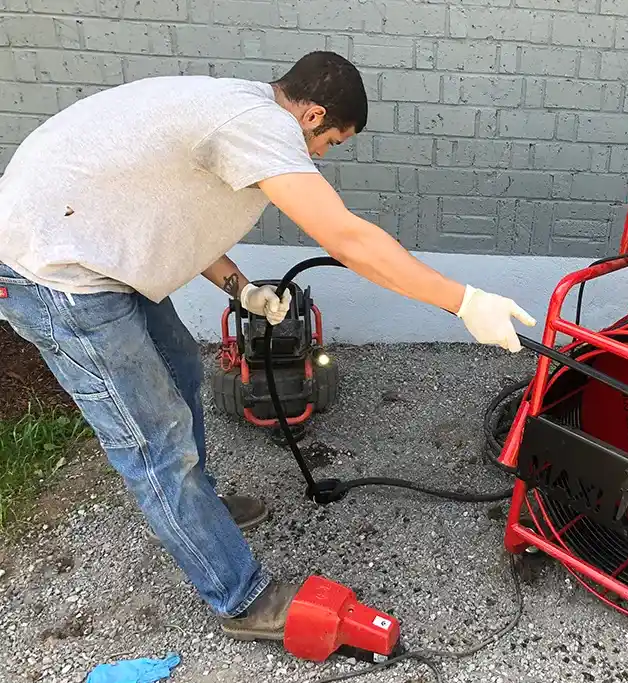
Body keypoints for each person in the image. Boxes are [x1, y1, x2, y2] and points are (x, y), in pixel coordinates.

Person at [0, 51, 536, 640]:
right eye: (331, 140)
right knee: (155, 441)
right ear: (311, 114)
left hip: (93, 244)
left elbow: (166, 211)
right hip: (60, 274)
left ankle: (199, 514)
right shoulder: (261, 126)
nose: (322, 155)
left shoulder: (233, 108)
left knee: (181, 368)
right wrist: (462, 301)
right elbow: (349, 238)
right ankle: (240, 597)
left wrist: (242, 288)